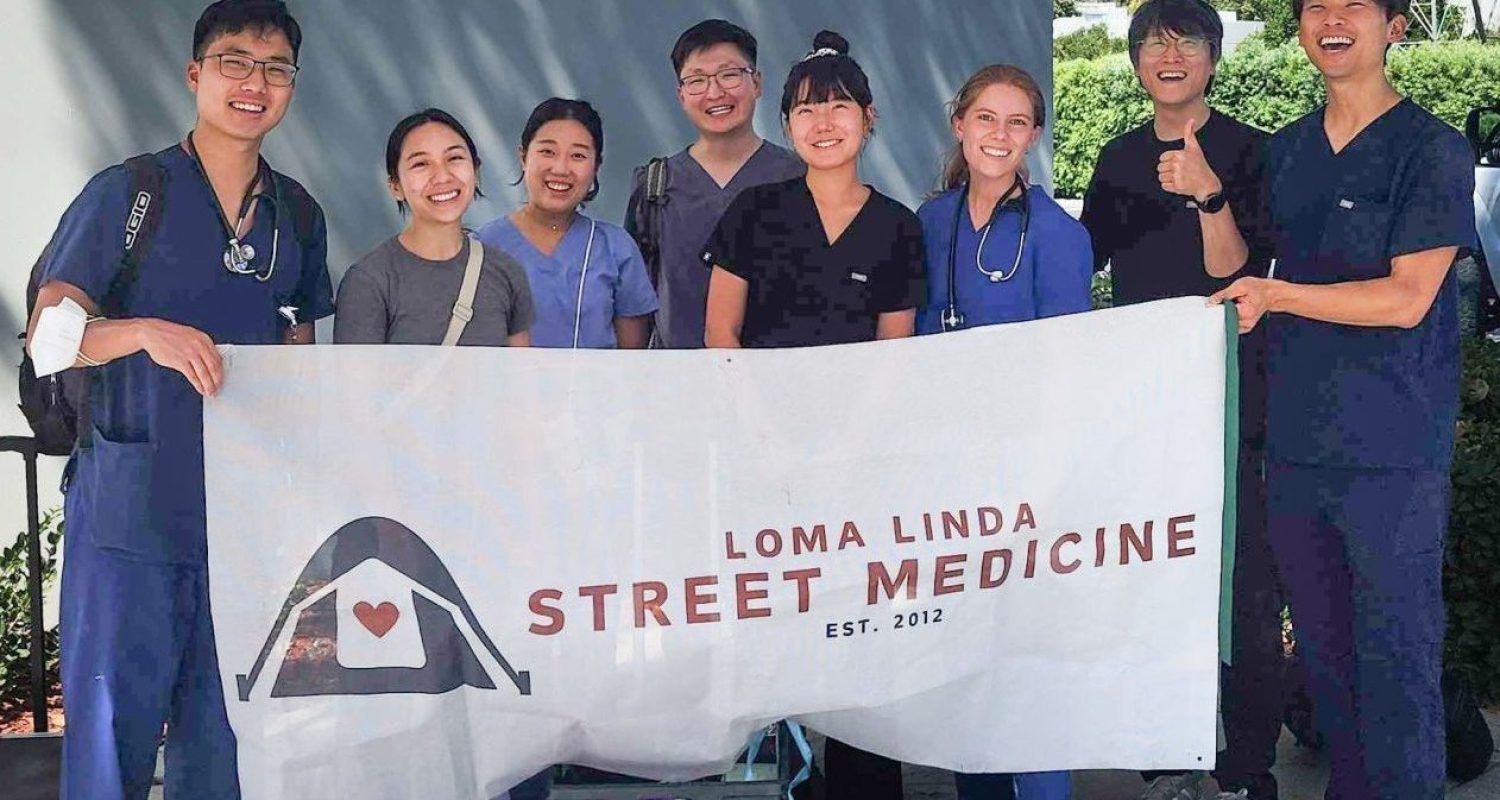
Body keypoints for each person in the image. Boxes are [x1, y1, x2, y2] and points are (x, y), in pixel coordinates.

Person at [22, 2, 333, 797]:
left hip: (244, 526)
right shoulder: (133, 193)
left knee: (225, 742)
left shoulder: (296, 216)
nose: (254, 83)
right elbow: (48, 337)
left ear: (292, 86)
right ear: (196, 75)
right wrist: (144, 333)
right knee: (108, 742)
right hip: (131, 514)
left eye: (275, 68)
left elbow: (299, 360)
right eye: (235, 61)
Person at [1209, 0, 1477, 797]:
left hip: (1391, 455)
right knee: (1329, 671)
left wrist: (1281, 295)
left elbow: (1407, 298)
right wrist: (1206, 200)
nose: (1331, 19)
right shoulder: (1286, 150)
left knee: (1395, 671)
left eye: (1353, 5)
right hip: (1295, 451)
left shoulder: (1430, 149)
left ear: (1394, 26)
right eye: (1314, 7)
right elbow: (1239, 265)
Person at [703, 30, 924, 800]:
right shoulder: (754, 214)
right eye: (805, 109)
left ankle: (865, 782)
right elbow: (719, 335)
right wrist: (763, 436)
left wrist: (848, 447)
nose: (822, 122)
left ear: (868, 118)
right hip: (764, 461)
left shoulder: (899, 226)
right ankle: (783, 781)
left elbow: (891, 356)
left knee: (860, 635)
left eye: (838, 107)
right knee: (775, 630)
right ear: (786, 123)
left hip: (860, 469)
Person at [1081, 2, 1283, 798]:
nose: (1168, 54)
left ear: (1212, 59)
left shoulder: (1252, 152)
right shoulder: (1116, 157)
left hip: (1236, 398)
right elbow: (1083, 266)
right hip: (1145, 401)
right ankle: (1167, 757)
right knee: (1155, 574)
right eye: (1152, 42)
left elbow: (1236, 272)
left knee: (1244, 586)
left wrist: (1207, 193)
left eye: (1187, 42)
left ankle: (1246, 763)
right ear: (1134, 62)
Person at [917, 64, 1090, 799]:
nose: (999, 135)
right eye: (986, 118)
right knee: (965, 659)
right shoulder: (928, 223)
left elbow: (1067, 371)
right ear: (960, 125)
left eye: (1017, 123)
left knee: (1028, 652)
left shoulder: (1056, 235)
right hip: (943, 474)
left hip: (1023, 481)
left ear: (1034, 137)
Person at [623, 18, 804, 349]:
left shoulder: (799, 176)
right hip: (679, 383)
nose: (715, 92)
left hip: (778, 380)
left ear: (758, 83)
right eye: (697, 80)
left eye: (729, 75)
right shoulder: (655, 185)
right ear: (681, 95)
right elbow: (635, 302)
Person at [334, 108, 533, 347]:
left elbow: (521, 378)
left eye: (454, 158)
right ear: (395, 186)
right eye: (421, 164)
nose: (442, 176)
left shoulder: (507, 273)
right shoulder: (369, 282)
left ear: (476, 170)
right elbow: (355, 382)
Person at [474, 98, 657, 349]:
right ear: (524, 156)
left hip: (595, 389)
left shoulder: (616, 249)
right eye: (547, 151)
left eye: (578, 155)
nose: (560, 168)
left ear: (596, 167)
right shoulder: (483, 248)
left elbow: (631, 362)